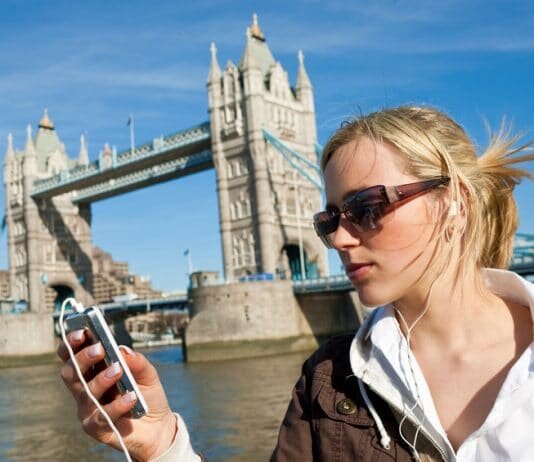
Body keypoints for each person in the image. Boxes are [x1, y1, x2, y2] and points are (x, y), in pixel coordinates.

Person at [58, 105, 534, 461]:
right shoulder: (327, 379)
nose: (341, 239)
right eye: (330, 220)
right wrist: (161, 441)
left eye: (367, 208)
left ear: (456, 204)